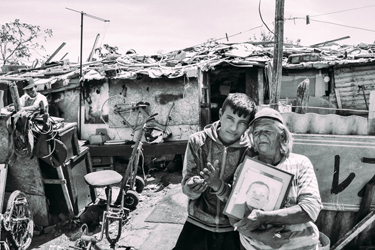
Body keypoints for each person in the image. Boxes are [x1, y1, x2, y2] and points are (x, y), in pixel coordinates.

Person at [173, 93, 257, 250]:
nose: (233, 128)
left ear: (248, 125)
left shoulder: (250, 151)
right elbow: (187, 183)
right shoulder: (197, 141)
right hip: (197, 223)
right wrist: (193, 187)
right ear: (220, 114)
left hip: (232, 227)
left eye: (242, 123)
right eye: (230, 118)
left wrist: (218, 185)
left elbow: (244, 195)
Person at [230, 107, 323, 250]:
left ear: (282, 137)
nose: (260, 136)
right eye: (256, 132)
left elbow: (310, 209)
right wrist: (260, 236)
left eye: (267, 131)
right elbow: (234, 218)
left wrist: (264, 217)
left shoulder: (300, 164)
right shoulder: (246, 169)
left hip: (300, 246)